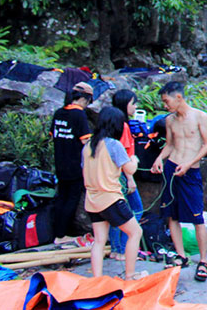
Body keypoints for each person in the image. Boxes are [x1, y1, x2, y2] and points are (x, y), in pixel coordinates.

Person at [150, 81, 207, 281]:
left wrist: (189, 163)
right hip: (172, 167)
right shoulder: (170, 121)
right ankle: (181, 255)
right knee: (171, 214)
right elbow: (169, 145)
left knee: (197, 216)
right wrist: (159, 159)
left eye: (166, 101)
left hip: (190, 170)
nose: (165, 105)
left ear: (178, 97)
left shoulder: (200, 117)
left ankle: (203, 260)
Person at [82, 106, 145, 280]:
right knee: (135, 232)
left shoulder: (88, 145)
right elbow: (130, 169)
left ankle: (97, 279)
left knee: (99, 241)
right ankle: (130, 275)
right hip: (110, 199)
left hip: (92, 201)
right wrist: (134, 159)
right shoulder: (114, 144)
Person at [51, 82, 93, 244]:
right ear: (84, 99)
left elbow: (53, 135)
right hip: (75, 165)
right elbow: (85, 142)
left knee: (61, 197)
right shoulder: (79, 115)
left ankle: (57, 233)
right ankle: (61, 236)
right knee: (71, 200)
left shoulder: (59, 113)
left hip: (60, 163)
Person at [108, 89, 144, 260]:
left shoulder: (115, 124)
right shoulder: (122, 126)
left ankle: (116, 249)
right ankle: (123, 249)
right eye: (133, 103)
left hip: (115, 174)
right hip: (124, 174)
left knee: (115, 213)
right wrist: (130, 178)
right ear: (125, 104)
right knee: (135, 209)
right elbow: (121, 155)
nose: (135, 106)